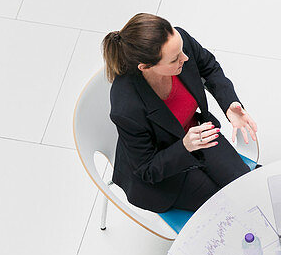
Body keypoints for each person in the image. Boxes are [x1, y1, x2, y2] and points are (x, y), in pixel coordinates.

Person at [102, 13, 259, 214]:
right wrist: (185, 146)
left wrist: (229, 104)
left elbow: (209, 67)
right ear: (146, 67)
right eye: (175, 59)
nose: (185, 58)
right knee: (224, 207)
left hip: (199, 135)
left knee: (244, 188)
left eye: (182, 50)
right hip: (165, 168)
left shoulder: (179, 43)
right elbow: (146, 169)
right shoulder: (126, 106)